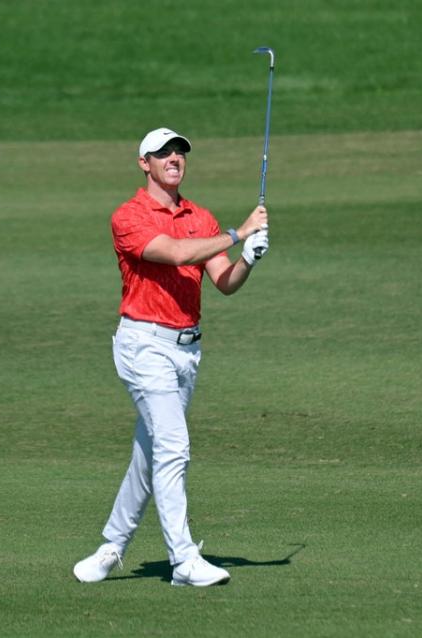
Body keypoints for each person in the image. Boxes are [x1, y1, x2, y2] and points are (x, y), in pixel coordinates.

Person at [73, 127, 269, 587]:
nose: (174, 158)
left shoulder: (200, 216)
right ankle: (183, 560)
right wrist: (239, 233)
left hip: (187, 351)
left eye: (180, 151)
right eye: (163, 153)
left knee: (151, 452)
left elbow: (223, 281)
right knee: (174, 447)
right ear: (144, 163)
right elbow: (175, 252)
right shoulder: (129, 216)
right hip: (143, 344)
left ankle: (110, 548)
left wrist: (249, 259)